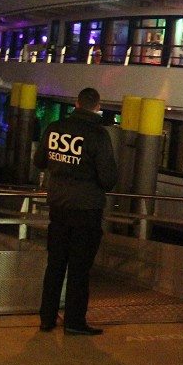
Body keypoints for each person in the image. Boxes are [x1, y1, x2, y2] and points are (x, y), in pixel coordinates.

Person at [33, 87, 117, 335]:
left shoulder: (55, 128)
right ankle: (74, 321)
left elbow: (39, 161)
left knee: (55, 264)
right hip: (86, 210)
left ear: (76, 103)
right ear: (97, 107)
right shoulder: (98, 135)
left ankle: (47, 318)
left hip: (58, 207)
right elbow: (108, 178)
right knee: (79, 269)